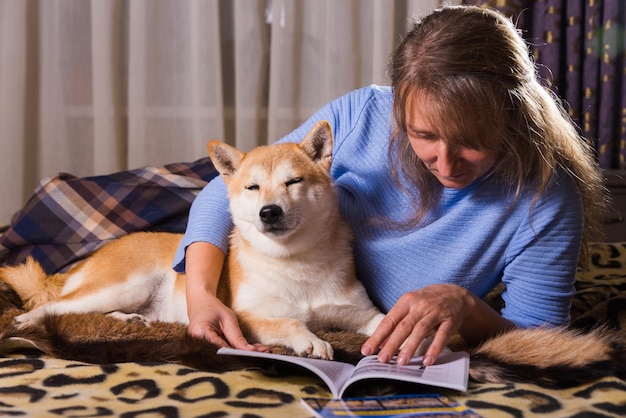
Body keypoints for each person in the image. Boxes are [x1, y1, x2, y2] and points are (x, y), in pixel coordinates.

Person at [173, 4, 606, 367]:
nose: (445, 161)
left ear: (514, 117)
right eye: (424, 135)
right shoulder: (364, 114)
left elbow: (540, 338)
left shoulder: (546, 200)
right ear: (398, 106)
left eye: (472, 142)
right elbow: (226, 189)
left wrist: (466, 308)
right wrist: (201, 296)